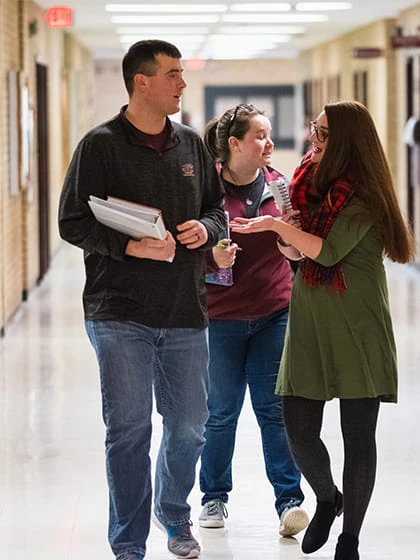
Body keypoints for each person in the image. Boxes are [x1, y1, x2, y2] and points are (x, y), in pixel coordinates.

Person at [58, 40, 226, 560]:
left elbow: (217, 210)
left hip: (183, 309)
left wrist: (205, 227)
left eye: (181, 73)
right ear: (141, 82)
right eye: (172, 74)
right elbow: (72, 222)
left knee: (189, 428)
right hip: (118, 311)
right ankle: (128, 543)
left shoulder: (191, 145)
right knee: (128, 429)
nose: (181, 83)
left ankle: (173, 514)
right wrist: (129, 245)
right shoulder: (100, 145)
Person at [230, 100, 415, 560]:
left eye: (325, 133)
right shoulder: (307, 181)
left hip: (356, 321)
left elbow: (328, 253)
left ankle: (350, 536)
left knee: (358, 435)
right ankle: (327, 497)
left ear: (348, 141)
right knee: (297, 426)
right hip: (311, 316)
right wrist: (288, 237)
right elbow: (301, 256)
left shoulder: (364, 194)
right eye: (315, 128)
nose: (314, 138)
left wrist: (276, 225)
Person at [198, 103, 309, 537]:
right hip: (220, 318)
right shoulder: (205, 192)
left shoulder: (279, 187)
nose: (269, 143)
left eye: (268, 134)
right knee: (221, 413)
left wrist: (288, 242)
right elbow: (187, 249)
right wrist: (212, 258)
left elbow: (296, 248)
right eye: (259, 136)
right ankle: (213, 498)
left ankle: (289, 501)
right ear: (234, 144)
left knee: (274, 411)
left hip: (273, 314)